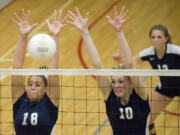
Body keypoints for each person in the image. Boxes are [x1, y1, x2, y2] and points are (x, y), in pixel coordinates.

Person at [67, 6, 150, 135]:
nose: (116, 86)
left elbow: (129, 64)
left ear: (129, 83)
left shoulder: (140, 95)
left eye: (121, 81)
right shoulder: (110, 97)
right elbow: (97, 65)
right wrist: (84, 32)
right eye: (114, 82)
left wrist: (119, 32)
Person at [113, 24, 180, 134]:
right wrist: (120, 60)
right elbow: (130, 63)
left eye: (159, 37)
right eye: (153, 37)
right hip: (166, 89)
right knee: (146, 120)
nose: (156, 40)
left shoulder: (175, 51)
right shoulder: (148, 52)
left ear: (166, 38)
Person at [11, 9, 66, 135]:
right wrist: (23, 36)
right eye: (30, 84)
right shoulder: (20, 101)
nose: (32, 88)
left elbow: (53, 70)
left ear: (46, 88)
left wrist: (55, 37)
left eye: (37, 85)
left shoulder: (50, 103)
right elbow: (17, 66)